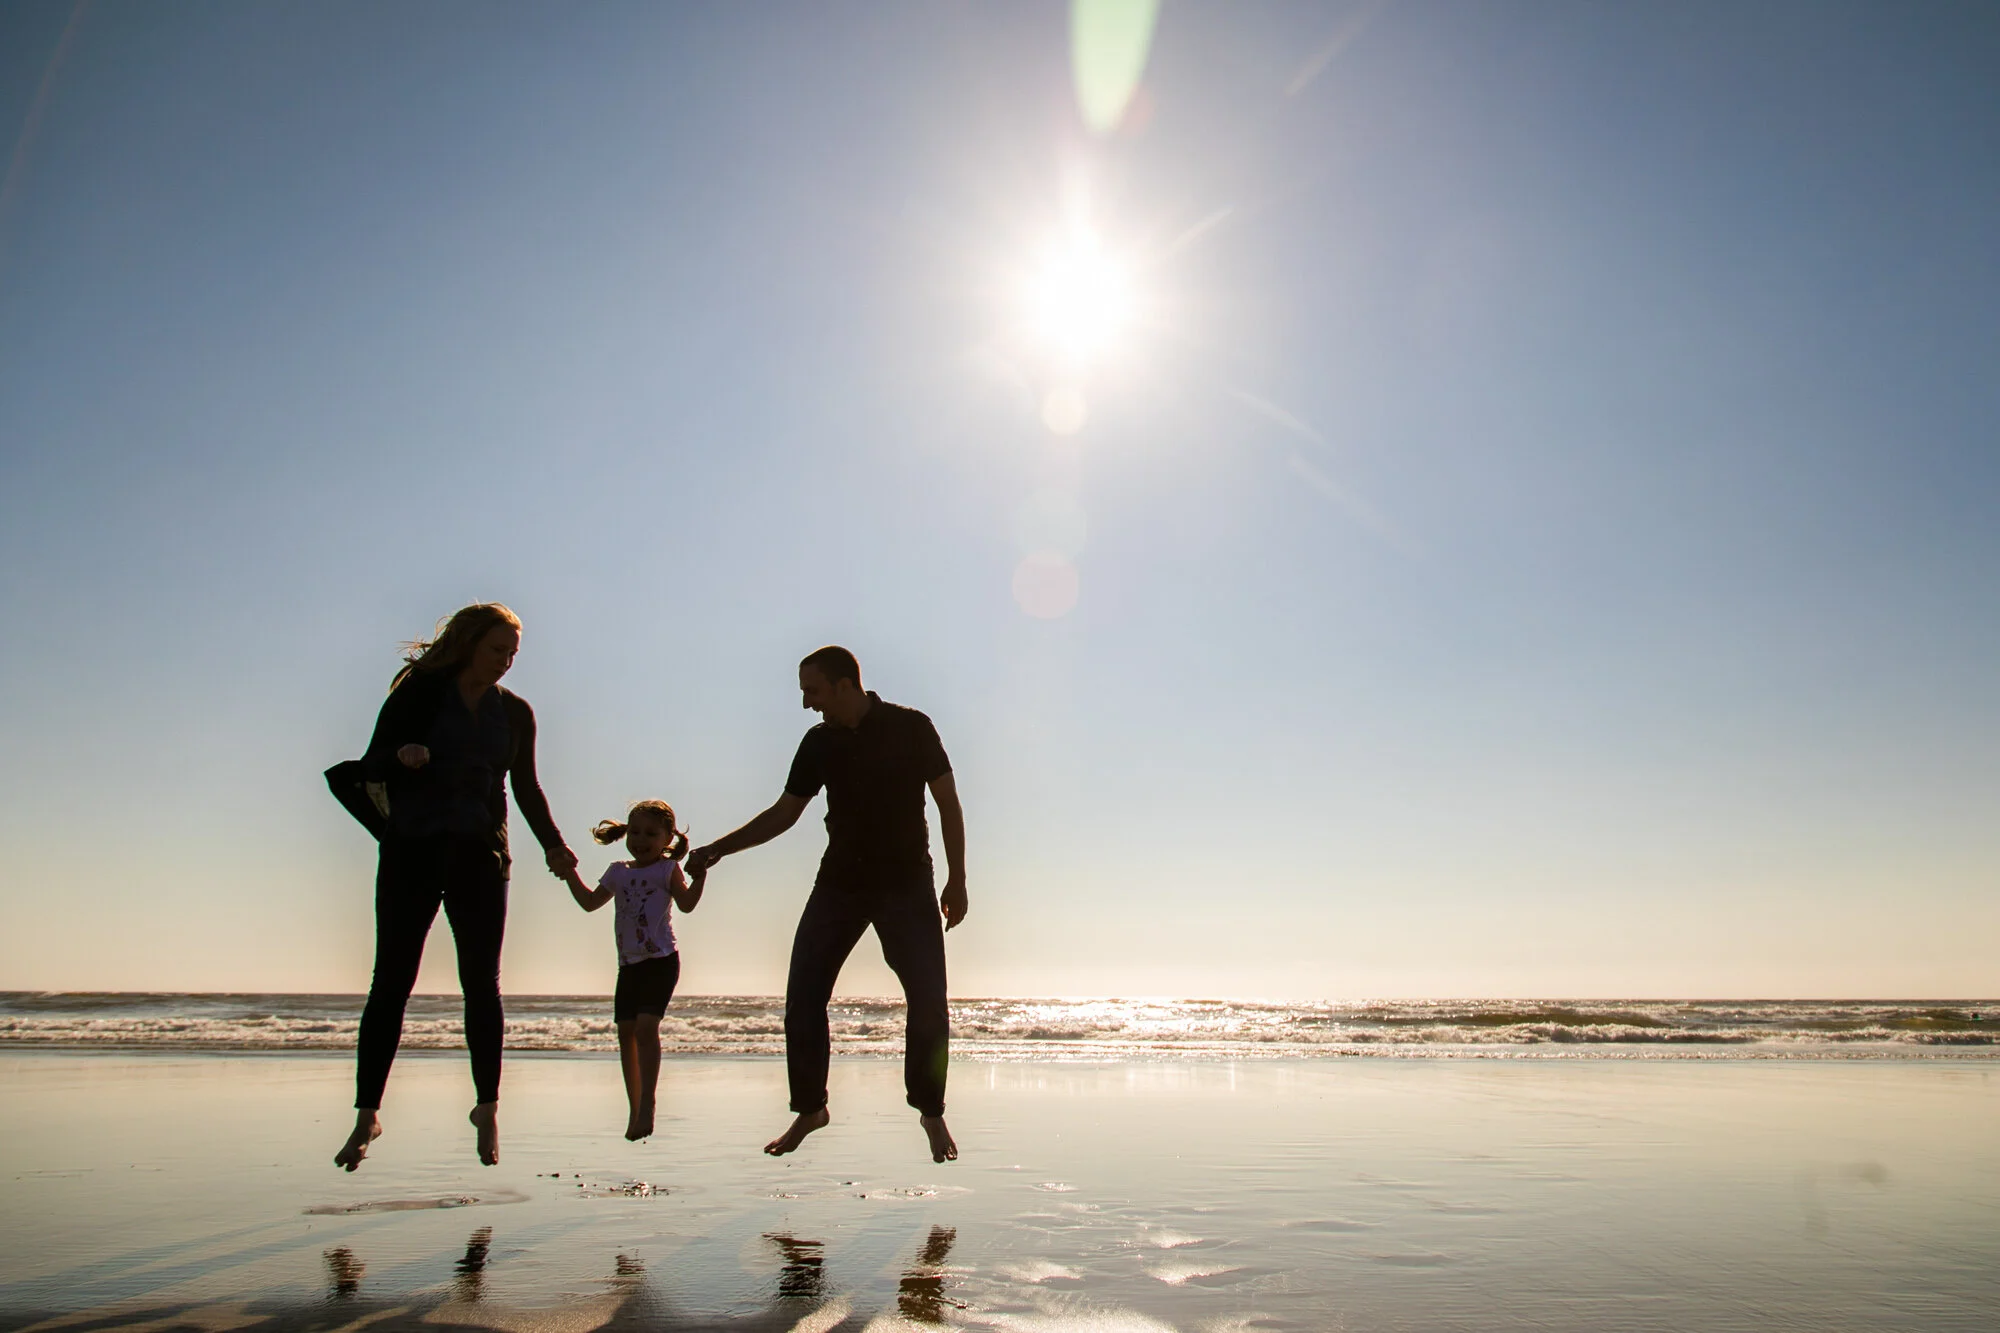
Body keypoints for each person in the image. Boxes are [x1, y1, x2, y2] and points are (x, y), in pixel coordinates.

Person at [687, 646, 967, 1163]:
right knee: (804, 993)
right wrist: (717, 849)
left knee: (928, 999)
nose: (806, 704)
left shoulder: (912, 727)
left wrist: (958, 879)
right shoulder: (817, 743)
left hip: (907, 883)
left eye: (811, 691)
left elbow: (948, 802)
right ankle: (811, 1107)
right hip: (839, 883)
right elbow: (784, 814)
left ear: (844, 685)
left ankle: (930, 1109)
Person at [334, 603, 577, 1172]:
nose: (505, 663)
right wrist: (401, 756)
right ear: (469, 644)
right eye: (497, 650)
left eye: (513, 654)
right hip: (411, 852)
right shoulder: (419, 693)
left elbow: (528, 788)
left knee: (481, 986)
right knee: (390, 983)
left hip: (482, 858)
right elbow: (370, 762)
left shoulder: (515, 713)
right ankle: (367, 1112)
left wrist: (553, 845)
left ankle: (487, 1106)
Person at [561, 800, 706, 1141]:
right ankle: (634, 1108)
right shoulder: (618, 872)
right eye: (636, 832)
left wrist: (701, 876)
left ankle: (648, 1105)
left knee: (644, 1028)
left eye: (651, 834)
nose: (641, 840)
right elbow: (588, 903)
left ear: (668, 838)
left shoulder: (666, 870)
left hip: (661, 961)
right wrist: (569, 872)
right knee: (625, 1032)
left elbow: (686, 905)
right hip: (628, 964)